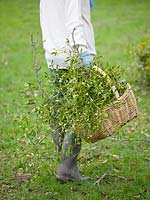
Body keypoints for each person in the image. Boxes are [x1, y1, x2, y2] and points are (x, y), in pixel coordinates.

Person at [40, 0, 96, 181]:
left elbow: (46, 19)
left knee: (60, 111)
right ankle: (67, 168)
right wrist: (83, 51)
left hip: (54, 55)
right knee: (82, 111)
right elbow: (73, 21)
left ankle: (64, 164)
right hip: (74, 57)